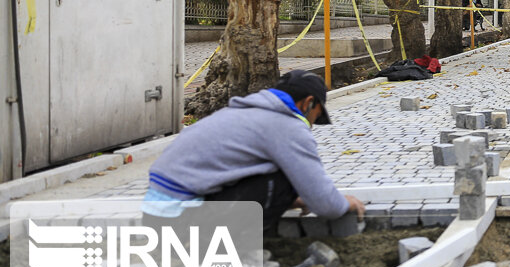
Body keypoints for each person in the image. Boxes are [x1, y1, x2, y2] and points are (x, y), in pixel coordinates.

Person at [143, 70, 365, 231]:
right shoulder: (287, 125)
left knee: (282, 180)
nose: (311, 126)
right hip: (179, 220)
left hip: (155, 216)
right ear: (308, 103)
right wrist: (345, 204)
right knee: (284, 179)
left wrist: (292, 200)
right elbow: (325, 204)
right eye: (316, 117)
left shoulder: (244, 112)